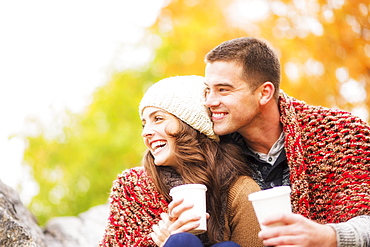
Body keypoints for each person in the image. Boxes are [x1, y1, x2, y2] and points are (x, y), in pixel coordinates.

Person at [203, 37, 370, 247]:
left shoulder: (342, 134)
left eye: (223, 90)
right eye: (207, 89)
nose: (209, 101)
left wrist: (329, 236)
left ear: (264, 93)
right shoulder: (209, 145)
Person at [99, 75, 263, 247]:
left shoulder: (240, 190)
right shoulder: (133, 188)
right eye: (144, 124)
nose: (145, 132)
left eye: (158, 118)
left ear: (191, 124)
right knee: (182, 241)